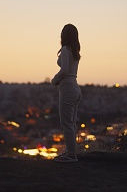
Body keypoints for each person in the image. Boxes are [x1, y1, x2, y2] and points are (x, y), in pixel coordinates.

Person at [51, 23, 82, 163]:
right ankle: (71, 152)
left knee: (66, 123)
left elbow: (64, 70)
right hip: (75, 88)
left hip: (68, 89)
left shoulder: (65, 50)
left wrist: (54, 80)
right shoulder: (75, 52)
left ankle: (71, 155)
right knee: (72, 123)